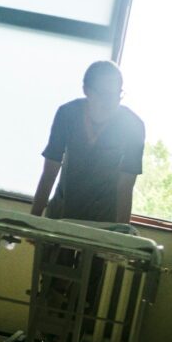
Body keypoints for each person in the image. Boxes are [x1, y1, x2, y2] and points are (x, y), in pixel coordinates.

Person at [30, 60, 144, 223]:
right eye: (104, 95)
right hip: (61, 213)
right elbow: (50, 172)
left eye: (116, 95)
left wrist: (121, 234)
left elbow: (125, 186)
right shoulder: (67, 114)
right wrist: (33, 221)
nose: (110, 102)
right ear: (86, 90)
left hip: (103, 220)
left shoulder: (133, 125)